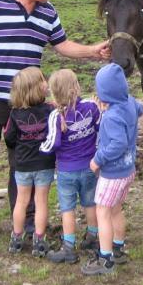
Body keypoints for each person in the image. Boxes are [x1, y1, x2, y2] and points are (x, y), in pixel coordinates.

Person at [0, 0, 109, 245]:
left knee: (25, 162)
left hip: (28, 104)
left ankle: (27, 220)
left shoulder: (48, 13)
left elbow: (62, 45)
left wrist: (93, 51)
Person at [81, 63, 143, 276]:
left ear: (104, 94)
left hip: (112, 174)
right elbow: (140, 109)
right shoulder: (129, 103)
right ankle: (118, 247)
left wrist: (97, 160)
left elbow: (118, 144)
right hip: (128, 170)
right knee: (116, 209)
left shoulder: (110, 117)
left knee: (103, 212)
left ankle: (105, 258)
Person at [39, 69, 101, 264]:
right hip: (90, 166)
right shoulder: (92, 107)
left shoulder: (55, 116)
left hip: (67, 171)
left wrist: (41, 148)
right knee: (90, 203)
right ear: (77, 87)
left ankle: (68, 248)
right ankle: (92, 237)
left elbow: (52, 144)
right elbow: (100, 128)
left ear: (53, 93)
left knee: (67, 209)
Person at [2, 67, 54, 255]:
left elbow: (8, 138)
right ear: (36, 88)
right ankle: (39, 240)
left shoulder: (14, 114)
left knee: (21, 201)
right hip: (44, 164)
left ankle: (16, 238)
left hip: (22, 165)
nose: (46, 83)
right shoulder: (50, 110)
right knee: (41, 202)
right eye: (43, 80)